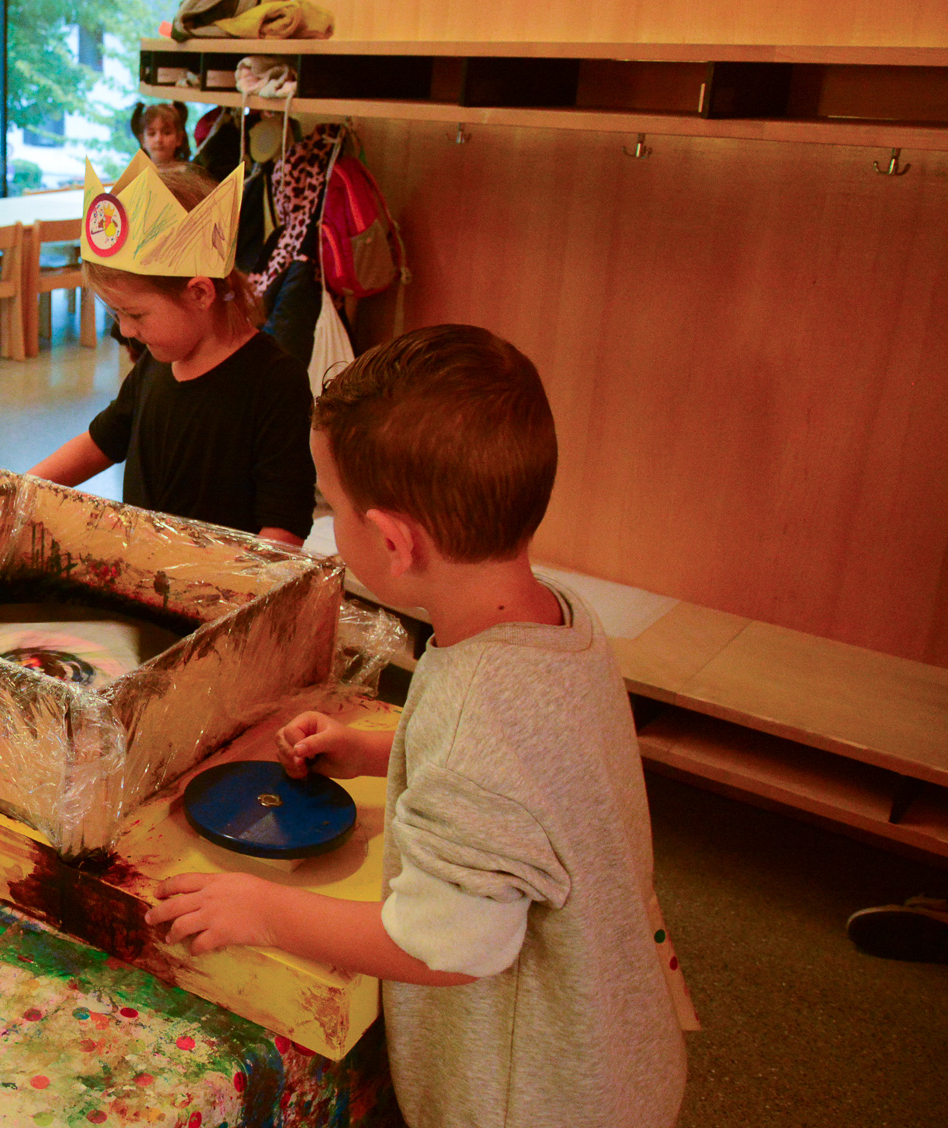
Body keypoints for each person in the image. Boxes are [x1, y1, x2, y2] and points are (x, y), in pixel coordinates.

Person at [146, 325, 689, 1128]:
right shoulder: (560, 621)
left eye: (334, 506)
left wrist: (264, 910)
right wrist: (376, 751)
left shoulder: (477, 719)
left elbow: (447, 944)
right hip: (614, 1047)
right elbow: (536, 772)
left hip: (530, 1099)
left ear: (395, 543)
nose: (330, 520)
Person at [29, 156, 316, 546]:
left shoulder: (276, 381)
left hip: (222, 580)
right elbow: (101, 442)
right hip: (143, 569)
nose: (125, 331)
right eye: (116, 314)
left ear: (199, 293)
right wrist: (21, 489)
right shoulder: (158, 361)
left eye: (135, 314)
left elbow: (284, 526)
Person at [129, 101, 191, 167]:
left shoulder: (188, 172)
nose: (158, 139)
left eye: (167, 133)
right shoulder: (137, 172)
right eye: (152, 134)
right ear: (142, 140)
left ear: (179, 138)